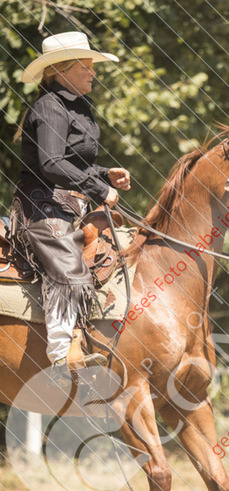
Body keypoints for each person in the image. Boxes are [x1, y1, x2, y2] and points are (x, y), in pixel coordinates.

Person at [13, 31, 131, 384]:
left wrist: (104, 173)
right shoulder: (50, 106)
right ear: (61, 70)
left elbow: (72, 162)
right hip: (41, 207)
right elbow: (51, 163)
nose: (93, 72)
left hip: (67, 205)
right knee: (69, 272)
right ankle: (62, 358)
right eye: (86, 66)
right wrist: (100, 188)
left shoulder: (77, 106)